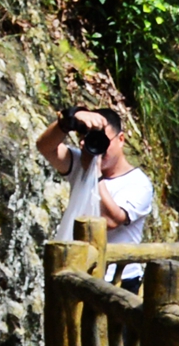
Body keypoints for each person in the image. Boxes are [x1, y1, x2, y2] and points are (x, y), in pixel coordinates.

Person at [36, 105, 157, 280]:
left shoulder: (139, 183)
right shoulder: (82, 163)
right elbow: (45, 147)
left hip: (117, 280)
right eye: (92, 139)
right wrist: (69, 120)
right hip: (76, 272)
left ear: (121, 139)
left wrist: (95, 175)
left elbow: (111, 220)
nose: (99, 148)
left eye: (104, 140)